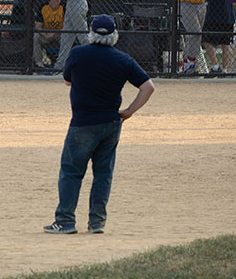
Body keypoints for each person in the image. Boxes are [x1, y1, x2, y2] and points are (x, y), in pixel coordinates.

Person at [45, 14, 155, 234]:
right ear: (114, 35)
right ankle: (97, 222)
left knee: (72, 171)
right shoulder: (123, 59)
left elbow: (67, 80)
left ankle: (65, 220)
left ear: (91, 33)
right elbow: (148, 87)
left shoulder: (78, 54)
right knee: (103, 173)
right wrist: (129, 111)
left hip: (83, 122)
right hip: (111, 121)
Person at [202, 0, 234, 77]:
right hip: (229, 15)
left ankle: (215, 66)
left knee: (206, 40)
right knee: (225, 43)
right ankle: (225, 69)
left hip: (215, 15)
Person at [34, 0, 64, 68]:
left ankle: (62, 63)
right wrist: (45, 34)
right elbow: (38, 27)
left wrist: (54, 33)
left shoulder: (63, 7)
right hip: (46, 33)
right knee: (35, 36)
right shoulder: (43, 7)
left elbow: (66, 26)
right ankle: (39, 63)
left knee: (66, 37)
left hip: (59, 33)